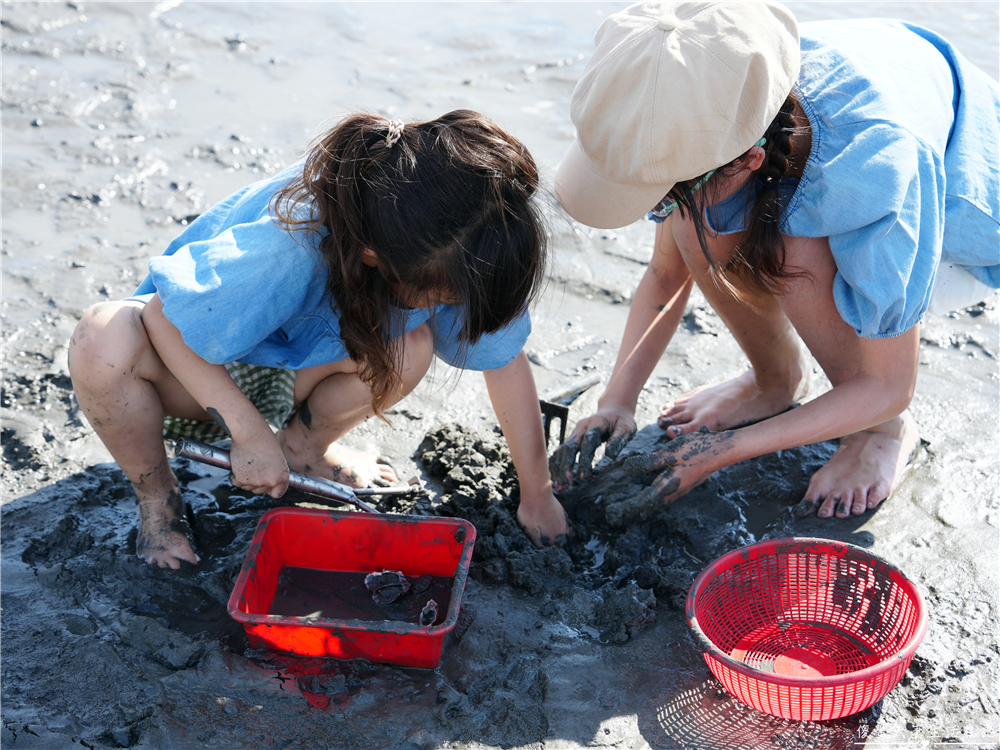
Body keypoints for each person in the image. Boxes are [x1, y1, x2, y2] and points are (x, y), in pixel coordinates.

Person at [549, 2, 999, 521]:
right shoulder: (717, 87)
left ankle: (879, 434)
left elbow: (891, 384)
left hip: (958, 231)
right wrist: (616, 402)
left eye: (661, 193)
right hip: (826, 164)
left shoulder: (879, 173)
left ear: (747, 161)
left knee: (793, 253)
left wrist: (724, 451)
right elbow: (667, 274)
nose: (656, 208)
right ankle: (774, 379)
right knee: (698, 229)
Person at [69, 110, 570, 569]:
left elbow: (503, 361)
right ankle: (158, 497)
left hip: (296, 363)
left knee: (408, 348)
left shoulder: (467, 236)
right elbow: (164, 316)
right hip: (194, 364)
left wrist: (537, 493)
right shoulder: (290, 243)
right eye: (438, 294)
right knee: (102, 341)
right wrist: (247, 433)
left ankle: (306, 449)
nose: (448, 304)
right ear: (374, 255)